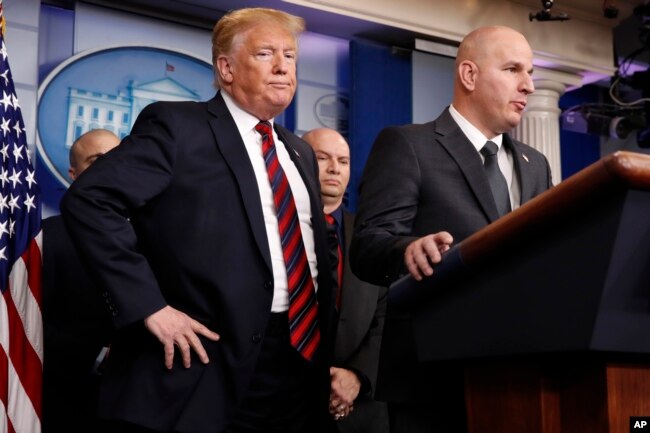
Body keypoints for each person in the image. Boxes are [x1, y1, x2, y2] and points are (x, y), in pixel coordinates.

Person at [60, 8, 337, 433]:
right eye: (266, 53)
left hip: (298, 367)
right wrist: (147, 306)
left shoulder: (298, 152)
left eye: (290, 55)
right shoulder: (177, 127)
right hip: (205, 372)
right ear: (226, 68)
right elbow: (90, 200)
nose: (283, 66)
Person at [349, 25, 554, 433]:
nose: (528, 86)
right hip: (432, 378)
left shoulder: (537, 164)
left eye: (530, 73)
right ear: (469, 75)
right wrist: (407, 250)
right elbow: (368, 246)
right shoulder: (409, 145)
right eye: (513, 70)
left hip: (519, 372)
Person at [302, 128, 389, 433]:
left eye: (343, 161)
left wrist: (357, 375)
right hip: (287, 401)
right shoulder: (278, 230)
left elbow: (385, 315)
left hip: (360, 409)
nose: (334, 168)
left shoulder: (372, 239)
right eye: (322, 158)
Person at [42, 128, 120, 433]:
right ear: (75, 174)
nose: (109, 166)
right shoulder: (47, 236)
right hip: (66, 402)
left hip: (139, 406)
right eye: (96, 160)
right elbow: (29, 318)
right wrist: (99, 354)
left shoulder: (159, 237)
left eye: (116, 157)